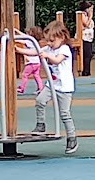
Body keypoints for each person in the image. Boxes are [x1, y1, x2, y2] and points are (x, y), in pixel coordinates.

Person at [21, 20, 78, 154]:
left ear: (61, 37)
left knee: (64, 113)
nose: (49, 44)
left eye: (52, 41)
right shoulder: (49, 48)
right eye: (48, 41)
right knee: (40, 100)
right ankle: (41, 125)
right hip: (52, 85)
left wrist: (47, 56)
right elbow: (34, 52)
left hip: (64, 87)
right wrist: (17, 49)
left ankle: (72, 137)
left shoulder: (64, 49)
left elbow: (57, 60)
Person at [15, 26, 44, 95]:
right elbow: (23, 36)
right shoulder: (34, 41)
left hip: (31, 62)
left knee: (25, 75)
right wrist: (17, 31)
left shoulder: (29, 40)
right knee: (36, 75)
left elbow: (20, 39)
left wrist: (12, 38)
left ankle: (21, 88)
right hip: (37, 62)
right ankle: (41, 88)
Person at [79, 0, 95, 76]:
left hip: (89, 38)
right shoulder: (82, 15)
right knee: (87, 54)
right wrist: (90, 16)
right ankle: (85, 71)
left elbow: (90, 25)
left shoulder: (87, 15)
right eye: (91, 9)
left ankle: (88, 70)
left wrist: (94, 26)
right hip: (84, 37)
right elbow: (86, 24)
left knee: (89, 54)